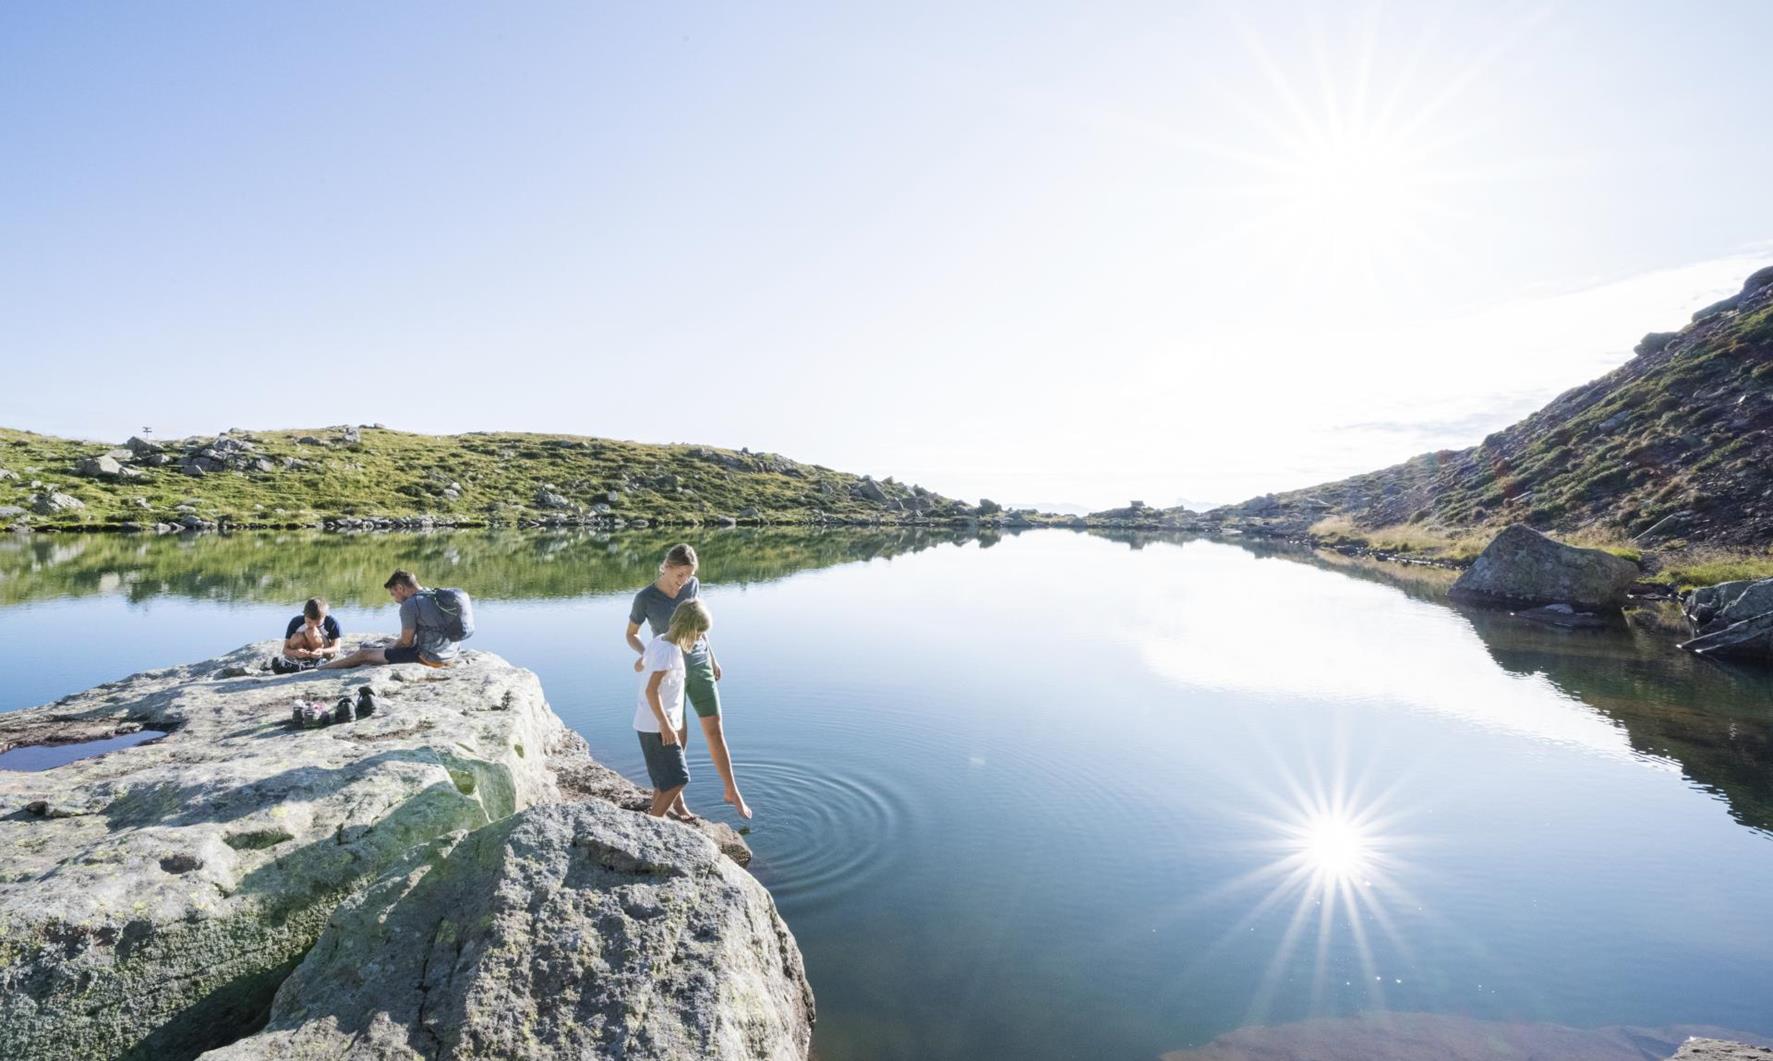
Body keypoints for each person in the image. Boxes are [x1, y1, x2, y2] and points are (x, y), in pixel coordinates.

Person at [626, 544, 751, 819]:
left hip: (699, 664)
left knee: (715, 729)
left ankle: (731, 790)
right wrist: (648, 656)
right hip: (672, 674)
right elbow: (631, 635)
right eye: (679, 574)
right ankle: (677, 801)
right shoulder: (645, 598)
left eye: (688, 575)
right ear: (666, 566)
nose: (683, 581)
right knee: (676, 739)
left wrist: (713, 658)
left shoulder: (692, 586)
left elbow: (698, 624)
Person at [634, 599, 711, 818]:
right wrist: (666, 726)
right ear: (687, 628)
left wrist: (645, 662)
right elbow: (651, 690)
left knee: (663, 781)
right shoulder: (667, 651)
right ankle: (653, 822)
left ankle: (653, 818)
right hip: (658, 726)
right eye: (698, 633)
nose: (698, 639)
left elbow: (638, 665)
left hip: (648, 723)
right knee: (679, 778)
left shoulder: (659, 641)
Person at [320, 570, 462, 670]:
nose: (394, 599)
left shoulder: (410, 605)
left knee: (363, 654)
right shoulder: (434, 595)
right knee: (388, 643)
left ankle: (321, 669)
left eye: (393, 594)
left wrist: (387, 648)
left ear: (401, 588)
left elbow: (406, 642)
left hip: (432, 659)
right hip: (451, 654)